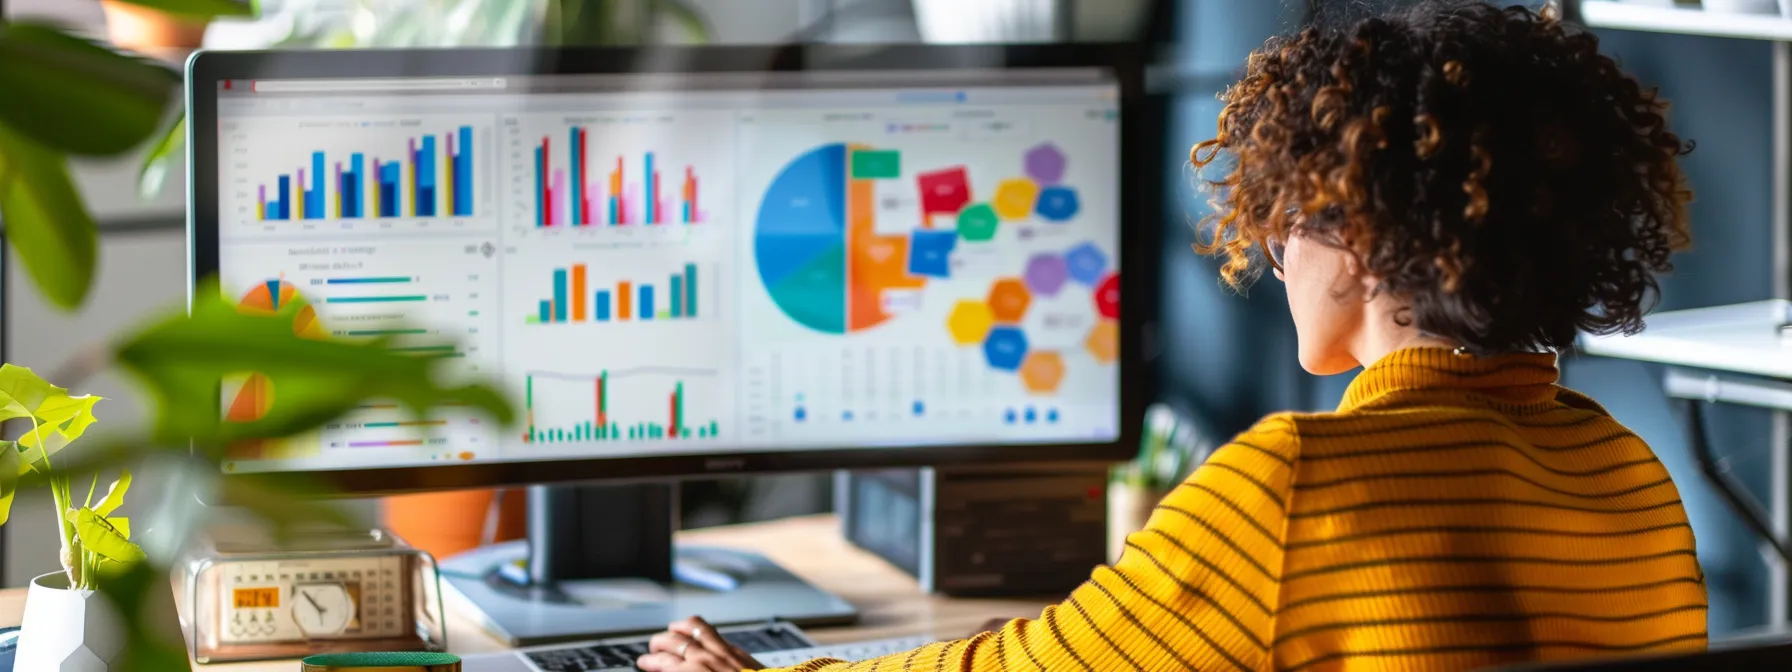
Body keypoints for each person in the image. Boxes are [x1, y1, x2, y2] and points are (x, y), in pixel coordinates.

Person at [637, 1, 1706, 670]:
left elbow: (1024, 671)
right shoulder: (1630, 474)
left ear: (1366, 245)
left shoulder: (1296, 484)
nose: (1278, 259)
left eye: (1288, 220)